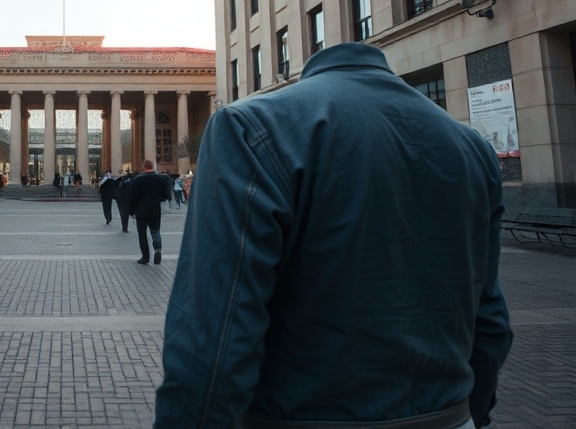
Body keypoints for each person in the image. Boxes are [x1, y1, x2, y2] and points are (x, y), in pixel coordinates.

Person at [155, 43, 513, 429]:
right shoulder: (473, 147)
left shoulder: (251, 126)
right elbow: (490, 318)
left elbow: (216, 336)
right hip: (449, 416)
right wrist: (472, 413)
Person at [129, 159, 171, 265]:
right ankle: (157, 247)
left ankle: (145, 257)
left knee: (142, 234)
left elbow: (133, 196)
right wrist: (157, 199)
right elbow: (166, 195)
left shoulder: (138, 179)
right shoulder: (161, 179)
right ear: (152, 166)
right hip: (155, 209)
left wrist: (131, 211)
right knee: (155, 231)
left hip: (141, 210)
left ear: (144, 167)